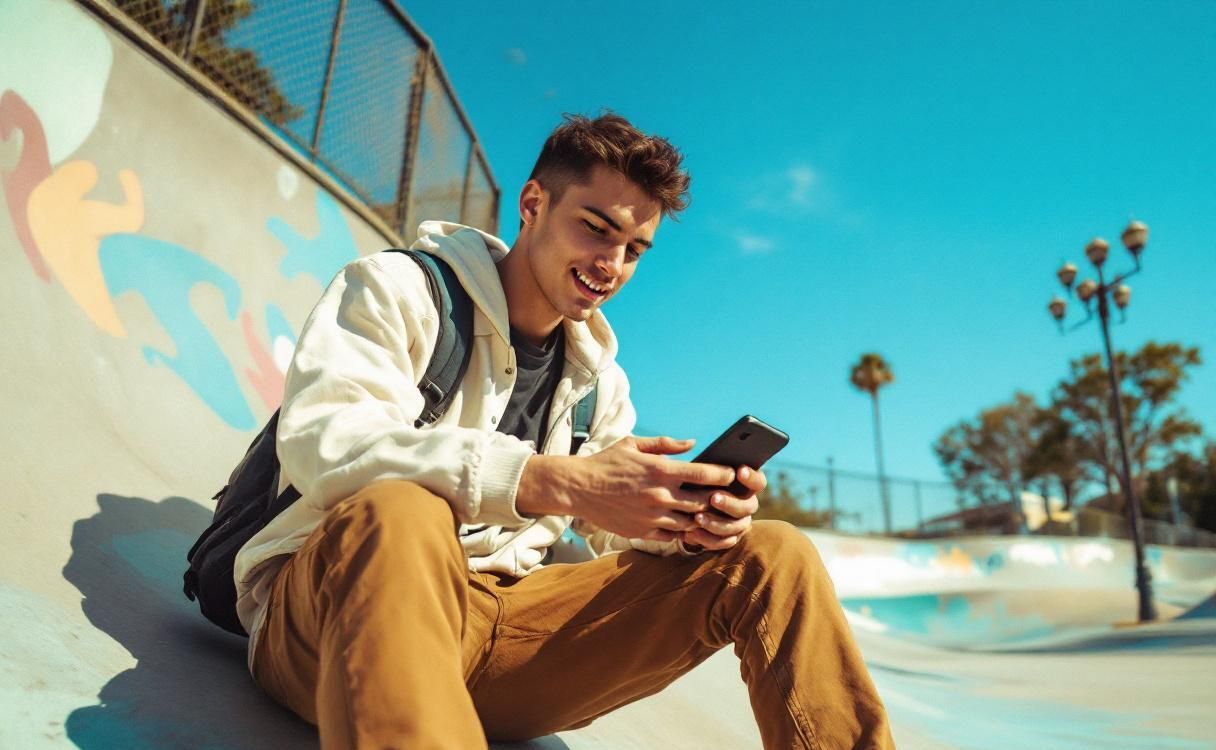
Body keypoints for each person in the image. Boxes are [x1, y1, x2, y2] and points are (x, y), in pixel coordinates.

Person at [234, 113, 893, 749]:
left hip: (503, 637)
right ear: (533, 203)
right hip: (333, 621)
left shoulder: (599, 383)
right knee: (403, 508)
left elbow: (615, 535)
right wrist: (550, 481)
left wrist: (685, 529)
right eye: (597, 229)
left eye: (634, 250)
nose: (612, 264)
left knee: (773, 554)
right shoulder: (398, 290)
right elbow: (328, 443)